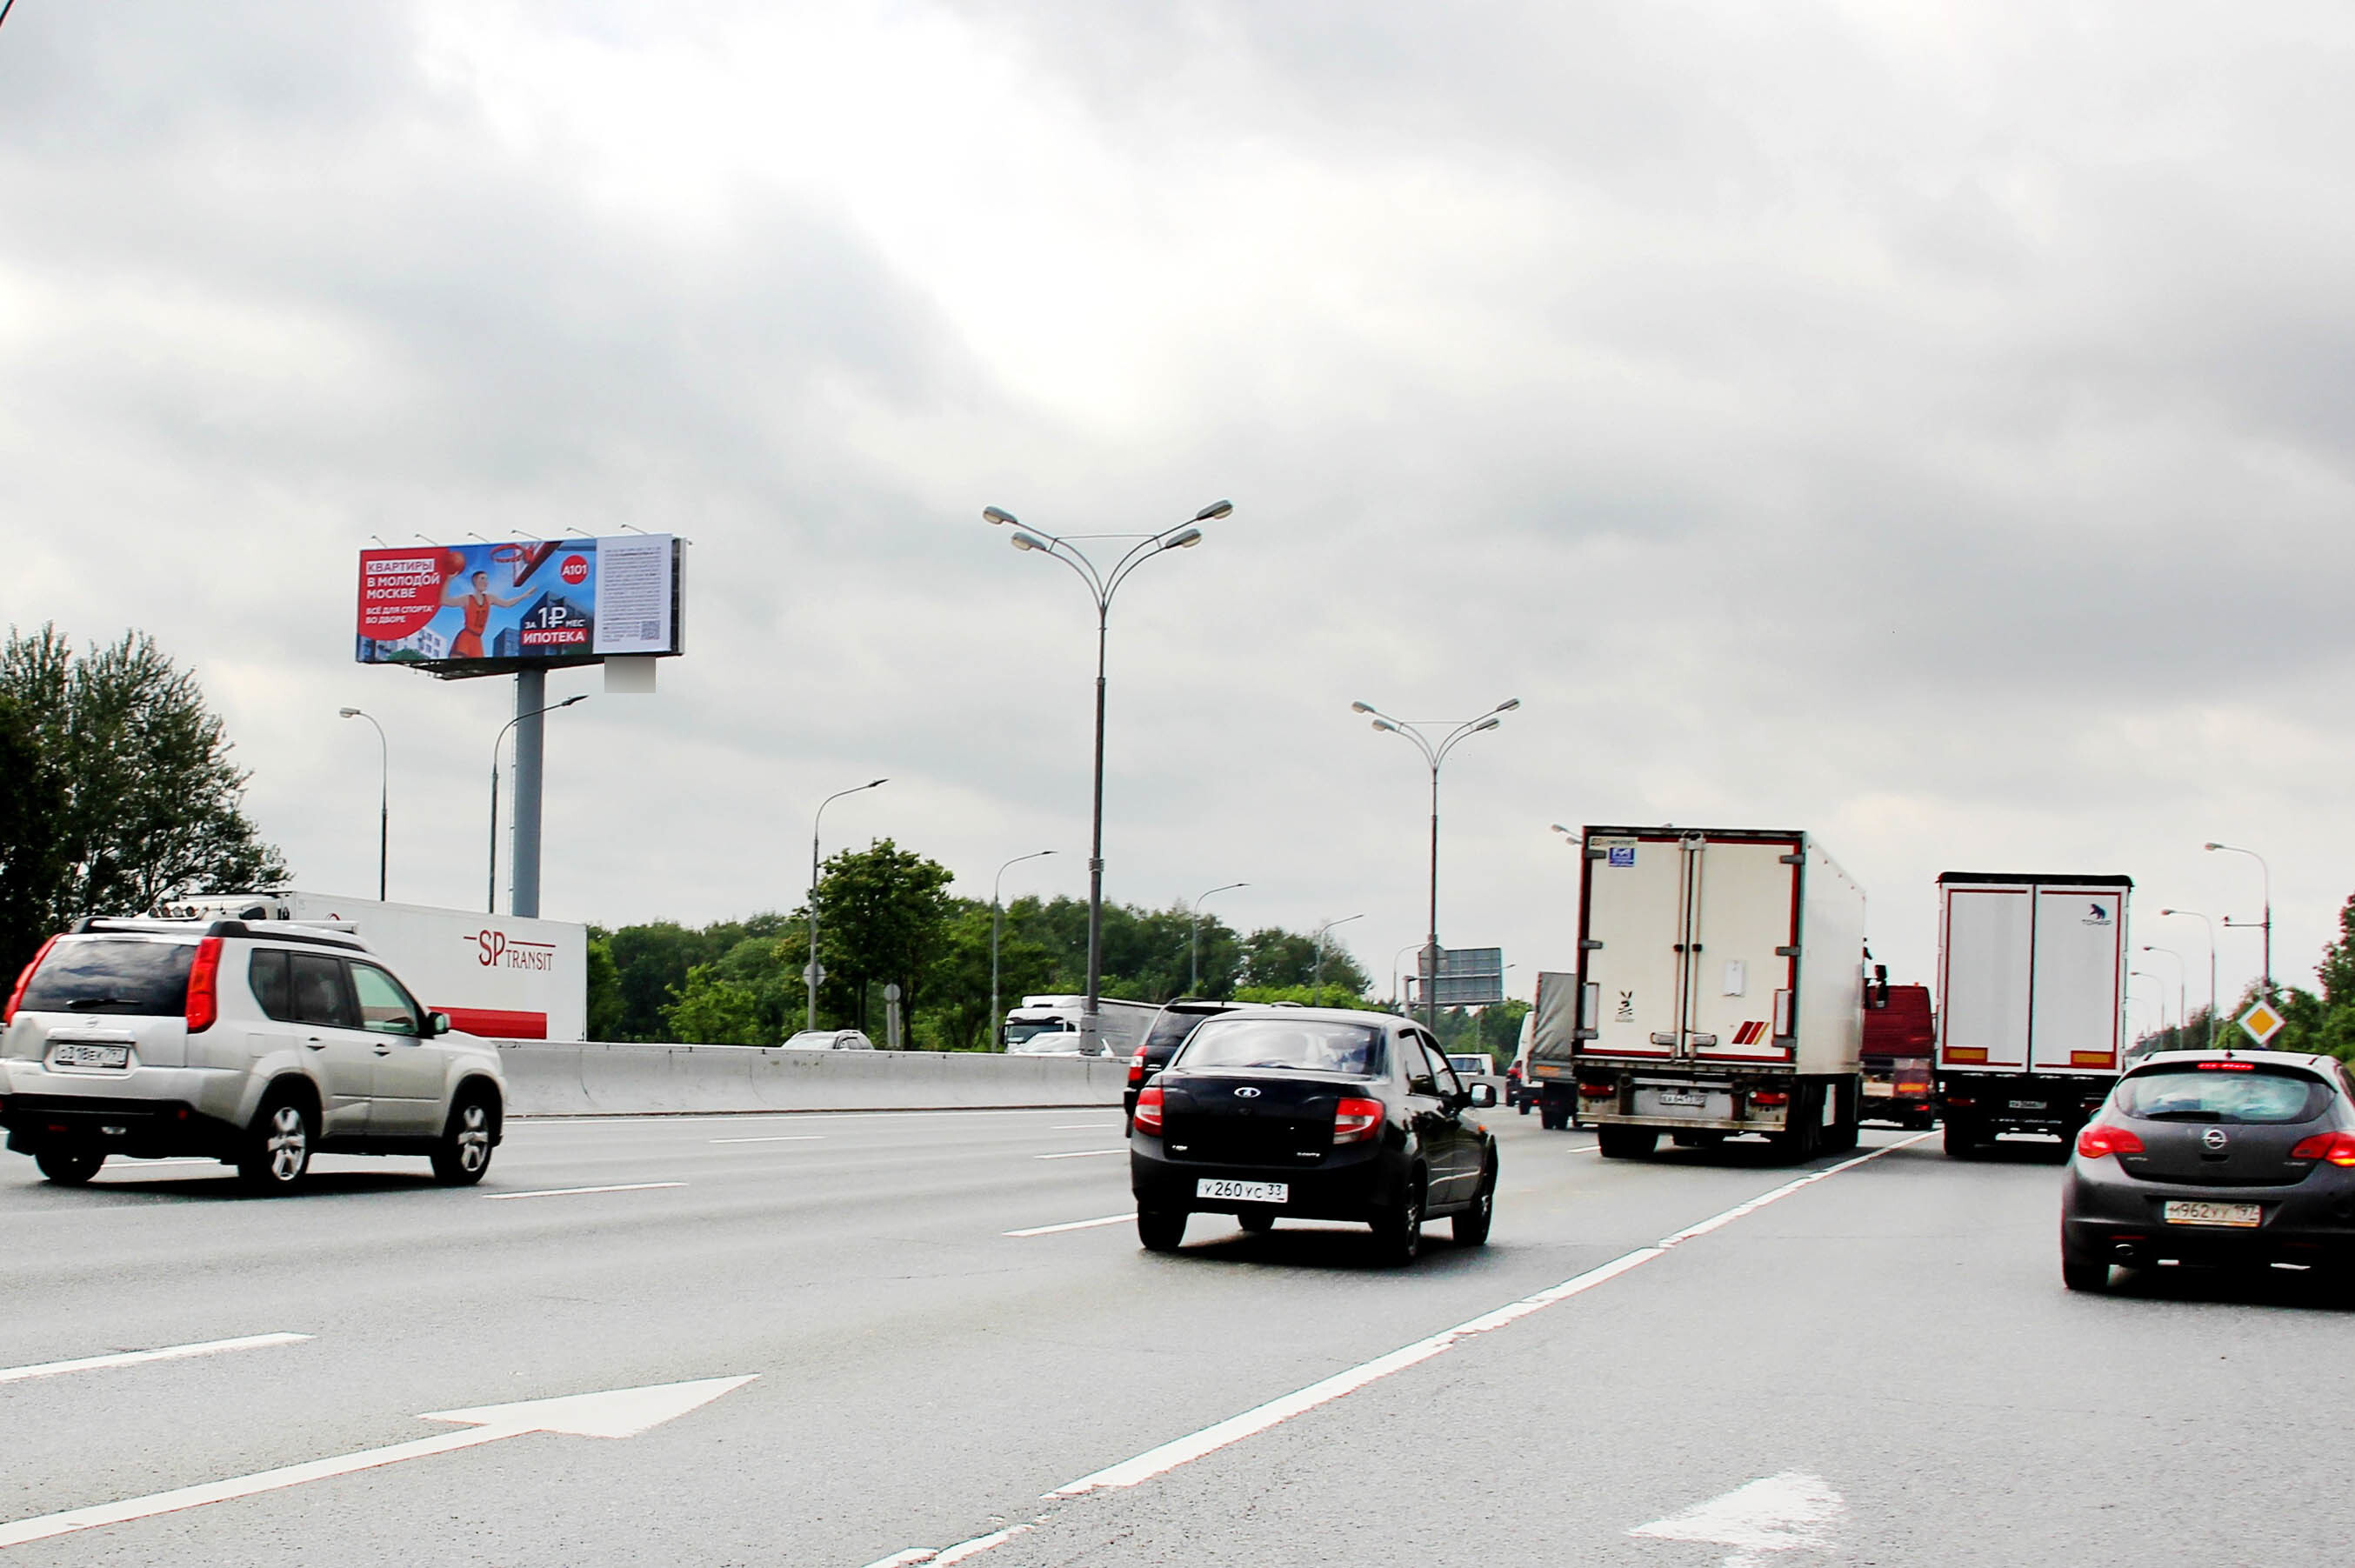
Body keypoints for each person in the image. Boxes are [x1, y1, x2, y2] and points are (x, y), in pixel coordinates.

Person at [442, 569, 524, 659]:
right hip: (466, 637)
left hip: (477, 639)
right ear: (475, 581)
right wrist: (448, 580)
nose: (485, 582)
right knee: (456, 666)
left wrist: (524, 596)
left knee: (477, 668)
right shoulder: (467, 599)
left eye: (486, 579)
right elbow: (444, 601)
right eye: (482, 579)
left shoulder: (489, 598)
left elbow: (507, 604)